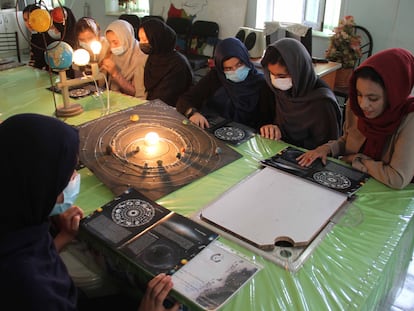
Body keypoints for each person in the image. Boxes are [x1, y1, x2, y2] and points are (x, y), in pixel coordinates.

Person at [0, 113, 180, 311]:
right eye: (70, 171)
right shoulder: (31, 289)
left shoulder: (19, 214)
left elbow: (36, 254)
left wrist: (64, 237)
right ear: (41, 184)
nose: (76, 177)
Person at [297, 48, 414, 190]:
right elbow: (348, 140)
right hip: (354, 181)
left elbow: (397, 178)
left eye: (373, 98)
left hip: (387, 194)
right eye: (359, 94)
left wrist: (354, 159)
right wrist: (326, 149)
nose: (364, 105)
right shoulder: (355, 105)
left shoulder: (409, 118)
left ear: (393, 95)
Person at [259, 38, 342, 149]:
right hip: (279, 151)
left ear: (297, 72)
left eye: (281, 76)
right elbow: (276, 124)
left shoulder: (322, 101)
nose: (275, 80)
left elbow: (326, 148)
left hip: (308, 158)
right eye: (272, 74)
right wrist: (271, 129)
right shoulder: (281, 91)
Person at [176, 37, 272, 129]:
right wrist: (193, 113)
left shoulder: (261, 83)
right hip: (213, 129)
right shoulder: (216, 77)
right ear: (221, 69)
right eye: (228, 68)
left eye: (239, 64)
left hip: (247, 136)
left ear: (246, 59)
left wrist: (268, 127)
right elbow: (185, 100)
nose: (236, 71)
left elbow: (267, 120)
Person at [138, 18, 193, 107]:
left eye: (144, 40)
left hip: (174, 109)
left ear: (156, 38)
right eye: (140, 39)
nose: (141, 43)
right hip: (155, 106)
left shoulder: (177, 64)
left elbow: (165, 98)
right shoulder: (154, 56)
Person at [101, 19, 147, 98]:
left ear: (126, 38)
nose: (112, 47)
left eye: (115, 42)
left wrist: (115, 74)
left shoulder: (142, 56)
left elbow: (137, 93)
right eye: (109, 42)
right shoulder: (114, 55)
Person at [23, 4, 54, 70]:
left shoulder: (51, 34)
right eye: (25, 20)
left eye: (32, 19)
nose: (29, 22)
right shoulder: (35, 36)